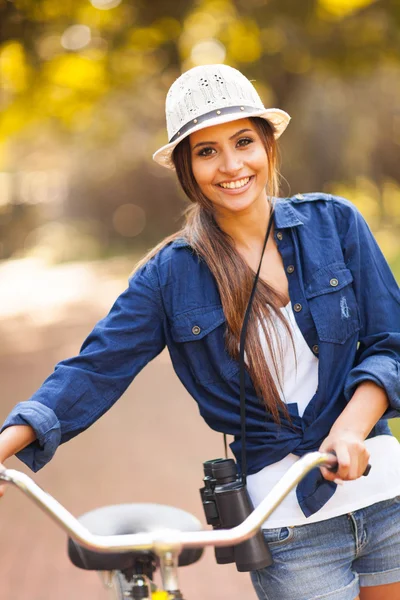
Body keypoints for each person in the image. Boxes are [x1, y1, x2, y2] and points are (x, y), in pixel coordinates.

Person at [0, 64, 400, 600]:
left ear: (268, 147)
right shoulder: (169, 276)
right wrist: (5, 446)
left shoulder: (336, 224)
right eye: (207, 151)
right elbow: (93, 370)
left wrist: (352, 427)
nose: (231, 165)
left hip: (383, 492)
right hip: (289, 525)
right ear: (186, 167)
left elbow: (388, 343)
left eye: (243, 142)